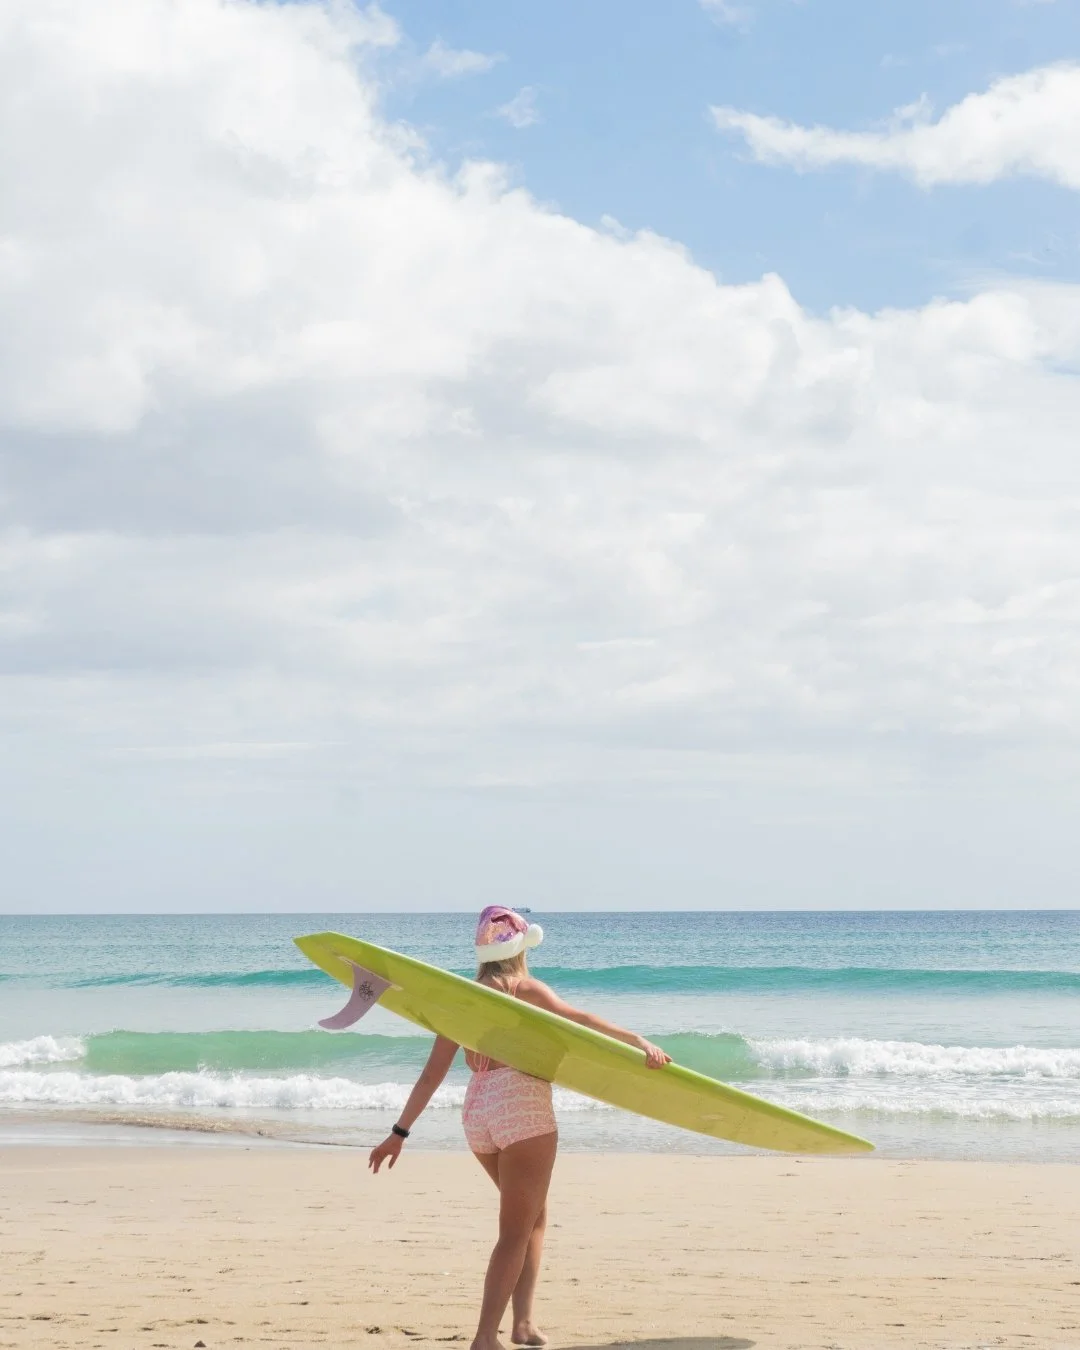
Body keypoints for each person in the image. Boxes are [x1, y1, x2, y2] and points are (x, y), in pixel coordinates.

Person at [368, 907, 671, 1350]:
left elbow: (432, 1074)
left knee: (532, 1217)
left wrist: (399, 1132)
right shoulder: (523, 988)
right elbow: (581, 1020)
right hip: (521, 1105)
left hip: (477, 1112)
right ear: (521, 950)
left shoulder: (460, 998)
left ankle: (523, 1324)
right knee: (515, 1229)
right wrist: (638, 1041)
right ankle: (485, 1336)